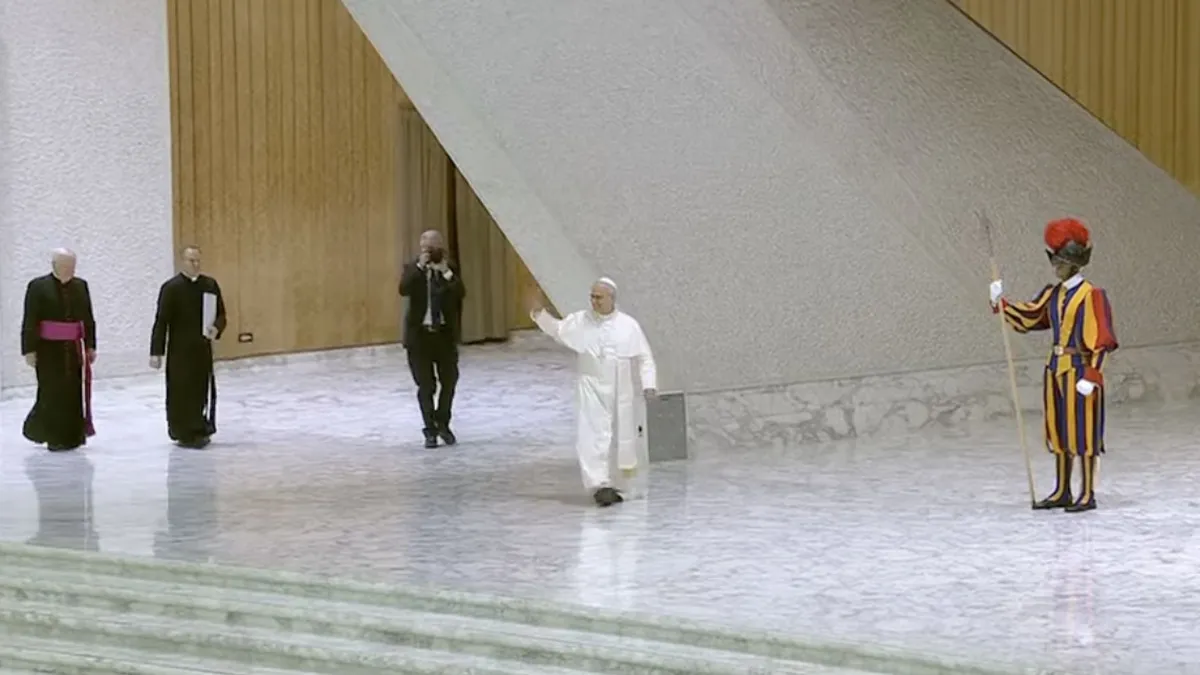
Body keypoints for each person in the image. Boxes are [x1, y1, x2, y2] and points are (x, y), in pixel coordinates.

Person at [990, 217, 1118, 512]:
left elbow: (1102, 339)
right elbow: (1032, 317)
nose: (1055, 267)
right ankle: (1062, 490)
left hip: (1080, 369)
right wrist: (1001, 303)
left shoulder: (1092, 295)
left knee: (1084, 432)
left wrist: (1093, 375)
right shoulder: (1054, 293)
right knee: (1059, 430)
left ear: (1073, 262)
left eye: (1060, 261)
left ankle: (1087, 493)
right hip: (1055, 369)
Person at [528, 277, 658, 507]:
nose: (594, 301)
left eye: (599, 297)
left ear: (611, 299)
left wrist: (649, 385)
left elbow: (645, 357)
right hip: (591, 386)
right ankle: (599, 485)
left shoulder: (628, 325)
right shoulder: (581, 321)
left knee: (621, 436)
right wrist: (540, 313)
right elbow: (557, 329)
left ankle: (621, 486)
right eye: (592, 297)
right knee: (591, 434)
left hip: (621, 388)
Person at [150, 245, 227, 449]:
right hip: (179, 351)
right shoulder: (171, 288)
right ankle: (182, 432)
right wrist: (156, 352)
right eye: (191, 260)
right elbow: (161, 321)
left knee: (201, 390)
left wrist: (216, 328)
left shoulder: (210, 285)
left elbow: (221, 314)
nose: (195, 264)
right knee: (181, 391)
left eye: (198, 260)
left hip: (202, 349)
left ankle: (200, 428)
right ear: (182, 262)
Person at [20, 249, 97, 451]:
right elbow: (30, 319)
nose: (69, 270)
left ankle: (73, 436)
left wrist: (90, 345)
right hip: (48, 350)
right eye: (65, 266)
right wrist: (29, 350)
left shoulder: (81, 286)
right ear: (54, 265)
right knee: (51, 392)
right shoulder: (38, 286)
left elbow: (88, 318)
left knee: (72, 391)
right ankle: (52, 436)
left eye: (72, 266)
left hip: (73, 349)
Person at [399, 229, 465, 448]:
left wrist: (445, 272)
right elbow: (403, 289)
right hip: (419, 337)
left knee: (450, 381)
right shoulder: (412, 268)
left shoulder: (449, 268)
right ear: (421, 247)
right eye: (428, 247)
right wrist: (420, 266)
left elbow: (460, 292)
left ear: (442, 247)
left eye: (435, 246)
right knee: (426, 386)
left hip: (444, 335)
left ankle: (443, 422)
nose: (431, 250)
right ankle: (430, 430)